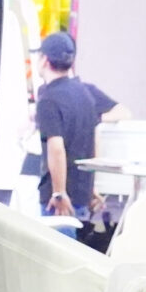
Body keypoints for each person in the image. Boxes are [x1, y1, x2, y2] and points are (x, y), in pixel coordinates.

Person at [33, 30, 115, 218]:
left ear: (44, 60)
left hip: (59, 203)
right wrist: (90, 184)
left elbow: (56, 148)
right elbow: (94, 139)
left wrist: (59, 193)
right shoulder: (85, 94)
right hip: (82, 195)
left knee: (52, 238)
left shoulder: (48, 99)